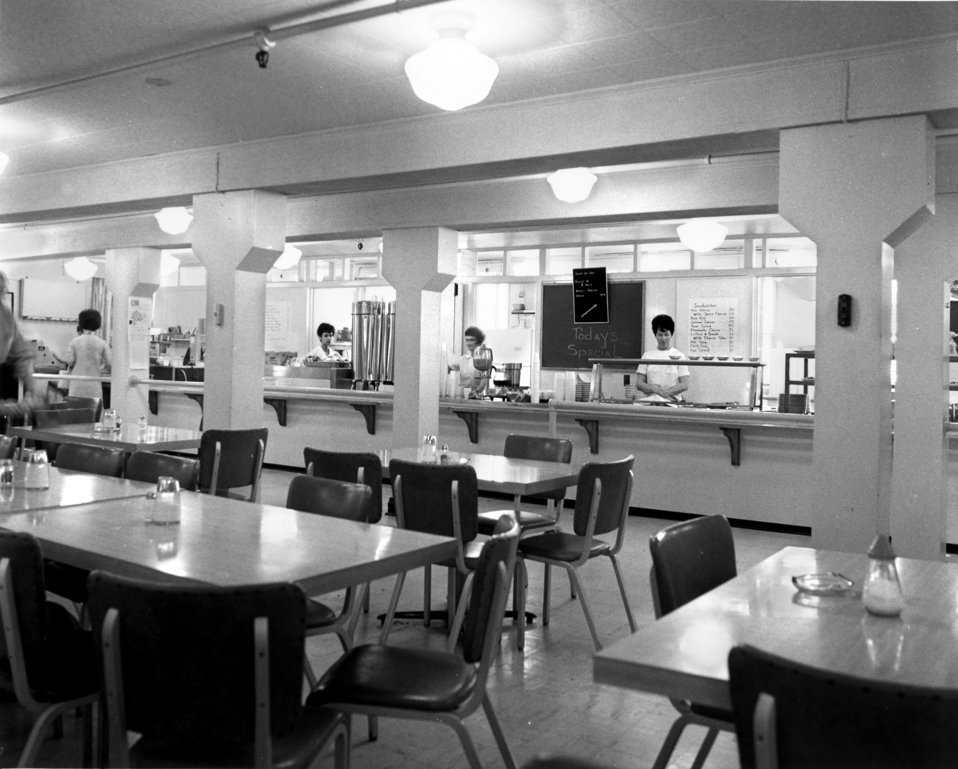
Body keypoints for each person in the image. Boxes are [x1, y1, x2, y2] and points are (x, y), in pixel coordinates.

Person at [56, 309, 111, 401]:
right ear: (98, 324)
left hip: (77, 384)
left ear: (81, 323)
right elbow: (110, 364)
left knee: (76, 412)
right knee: (94, 413)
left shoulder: (74, 342)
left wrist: (55, 355)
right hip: (94, 385)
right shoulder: (102, 343)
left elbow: (69, 361)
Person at [635, 314, 689, 402]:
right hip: (652, 400)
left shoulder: (679, 356)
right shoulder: (647, 356)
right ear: (655, 335)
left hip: (672, 400)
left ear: (671, 334)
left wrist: (667, 392)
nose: (663, 338)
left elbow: (685, 384)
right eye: (660, 335)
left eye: (666, 334)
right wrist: (656, 390)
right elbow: (639, 383)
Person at [448, 325, 490, 398]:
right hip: (462, 399)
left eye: (472, 340)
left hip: (478, 399)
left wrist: (476, 391)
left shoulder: (485, 360)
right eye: (467, 340)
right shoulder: (463, 359)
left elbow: (484, 383)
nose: (469, 343)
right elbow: (446, 369)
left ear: (479, 341)